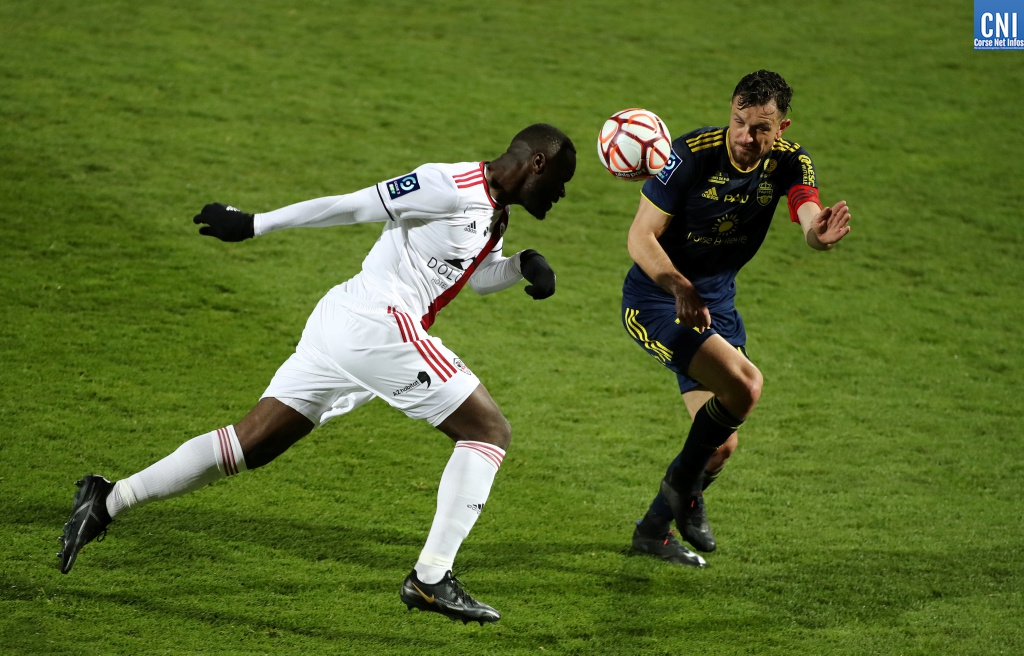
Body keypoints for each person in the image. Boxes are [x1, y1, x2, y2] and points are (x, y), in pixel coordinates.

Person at [58, 123, 577, 624]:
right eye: (561, 180)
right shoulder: (446, 183)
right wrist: (255, 223)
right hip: (377, 323)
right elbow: (353, 205)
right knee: (488, 431)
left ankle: (110, 498)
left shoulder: (496, 214)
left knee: (250, 445)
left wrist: (521, 265)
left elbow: (474, 275)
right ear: (537, 162)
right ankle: (430, 576)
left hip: (348, 324)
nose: (562, 194)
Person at [622, 70, 851, 567]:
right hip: (658, 301)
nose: (747, 136)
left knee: (721, 448)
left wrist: (817, 235)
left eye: (761, 128)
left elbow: (807, 211)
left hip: (716, 308)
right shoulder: (690, 155)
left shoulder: (791, 161)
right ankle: (683, 487)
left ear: (781, 128)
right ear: (731, 112)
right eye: (739, 122)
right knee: (746, 385)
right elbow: (640, 237)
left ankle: (653, 531)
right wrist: (679, 286)